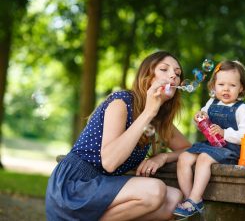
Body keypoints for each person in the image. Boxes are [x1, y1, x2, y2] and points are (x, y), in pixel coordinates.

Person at [46, 51, 191, 221]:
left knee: (174, 199)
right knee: (155, 190)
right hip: (75, 186)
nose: (173, 75)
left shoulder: (157, 119)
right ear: (146, 76)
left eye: (177, 73)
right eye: (164, 69)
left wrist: (163, 157)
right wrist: (148, 112)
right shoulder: (121, 102)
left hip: (104, 188)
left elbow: (188, 148)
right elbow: (110, 162)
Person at [173, 60, 245, 218]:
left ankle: (194, 200)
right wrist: (199, 117)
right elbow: (203, 122)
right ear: (213, 86)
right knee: (184, 157)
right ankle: (190, 198)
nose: (226, 89)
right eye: (221, 84)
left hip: (230, 150)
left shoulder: (242, 109)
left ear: (241, 88)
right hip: (210, 146)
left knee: (204, 158)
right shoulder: (211, 102)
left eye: (232, 85)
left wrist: (225, 133)